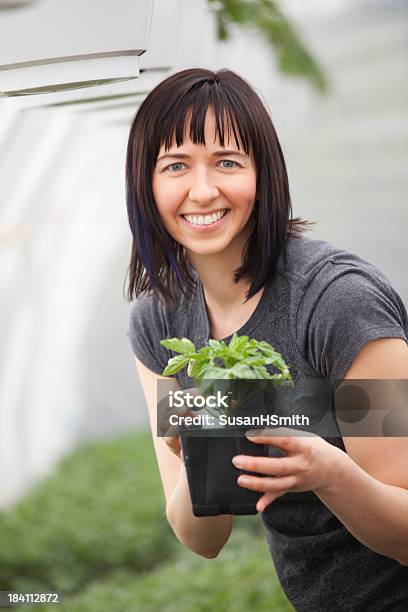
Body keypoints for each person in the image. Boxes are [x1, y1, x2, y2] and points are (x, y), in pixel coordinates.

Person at [125, 68, 408, 611]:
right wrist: (195, 454)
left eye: (227, 162)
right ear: (145, 183)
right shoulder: (159, 325)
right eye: (175, 165)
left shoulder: (339, 304)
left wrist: (329, 472)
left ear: (264, 176)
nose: (202, 190)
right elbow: (201, 538)